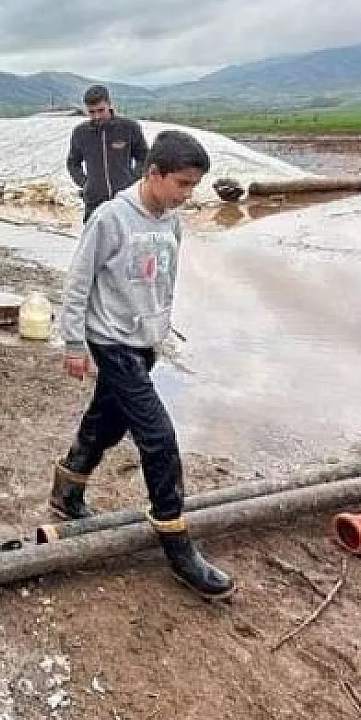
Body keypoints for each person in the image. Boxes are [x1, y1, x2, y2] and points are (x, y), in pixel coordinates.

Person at [49, 129, 235, 601]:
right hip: (111, 343)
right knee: (158, 438)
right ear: (154, 173)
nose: (187, 195)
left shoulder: (171, 222)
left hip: (143, 343)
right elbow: (77, 283)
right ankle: (175, 541)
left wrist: (160, 330)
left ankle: (66, 490)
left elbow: (162, 283)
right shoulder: (111, 218)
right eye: (183, 184)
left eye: (193, 186)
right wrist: (74, 343)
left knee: (107, 421)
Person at [67, 84, 149, 223]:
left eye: (101, 110)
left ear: (109, 104)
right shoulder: (81, 133)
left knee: (125, 241)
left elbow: (144, 157)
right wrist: (85, 183)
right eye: (92, 112)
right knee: (94, 243)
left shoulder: (129, 128)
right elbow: (73, 163)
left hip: (125, 200)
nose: (97, 116)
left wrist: (133, 180)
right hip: (94, 202)